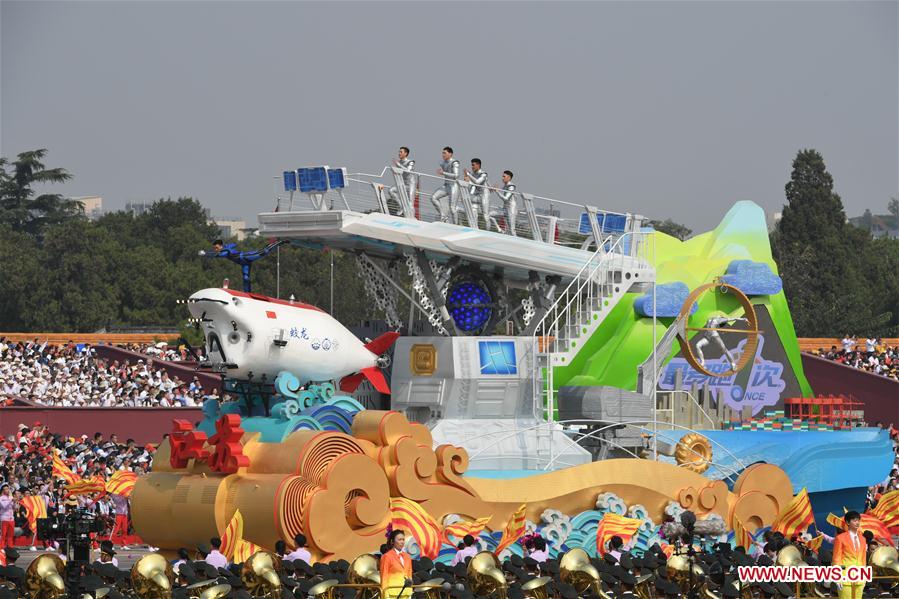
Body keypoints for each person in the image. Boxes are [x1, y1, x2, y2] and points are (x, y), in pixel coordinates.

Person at [199, 239, 286, 293]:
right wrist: (228, 246)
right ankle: (248, 294)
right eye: (214, 248)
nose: (215, 250)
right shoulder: (225, 248)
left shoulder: (225, 252)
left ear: (221, 246)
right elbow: (233, 244)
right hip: (244, 263)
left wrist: (205, 253)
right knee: (245, 278)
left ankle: (278, 243)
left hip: (246, 257)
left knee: (263, 252)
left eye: (217, 248)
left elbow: (216, 255)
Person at [832, 510, 866, 599]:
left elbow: (863, 559)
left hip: (859, 578)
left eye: (858, 520)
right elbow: (837, 559)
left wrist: (864, 575)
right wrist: (837, 577)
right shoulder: (840, 538)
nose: (857, 522)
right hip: (845, 578)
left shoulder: (863, 539)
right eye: (854, 520)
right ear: (847, 522)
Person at [380, 528, 412, 599]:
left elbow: (409, 574)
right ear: (392, 541)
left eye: (403, 539)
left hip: (406, 592)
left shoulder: (407, 557)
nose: (402, 542)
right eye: (399, 539)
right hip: (392, 593)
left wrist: (410, 591)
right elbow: (384, 576)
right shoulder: (387, 556)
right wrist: (385, 595)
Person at [431, 147, 461, 223]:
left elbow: (456, 175)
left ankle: (456, 226)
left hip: (454, 186)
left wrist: (443, 173)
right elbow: (441, 167)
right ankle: (443, 216)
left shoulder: (455, 163)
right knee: (433, 198)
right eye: (442, 153)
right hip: (446, 185)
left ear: (450, 154)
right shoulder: (442, 162)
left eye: (445, 153)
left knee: (452, 208)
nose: (443, 154)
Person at [388, 146, 416, 216]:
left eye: (401, 152)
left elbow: (408, 171)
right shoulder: (399, 162)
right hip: (403, 184)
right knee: (391, 190)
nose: (399, 153)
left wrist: (398, 165)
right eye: (399, 152)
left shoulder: (411, 162)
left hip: (411, 185)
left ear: (406, 153)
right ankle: (401, 206)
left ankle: (413, 219)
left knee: (410, 204)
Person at [493, 170, 517, 235]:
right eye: (502, 176)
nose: (502, 178)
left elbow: (506, 199)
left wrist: (497, 191)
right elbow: (498, 189)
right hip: (505, 208)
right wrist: (493, 189)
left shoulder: (512, 186)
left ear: (509, 177)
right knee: (491, 215)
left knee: (512, 229)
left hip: (511, 209)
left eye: (504, 176)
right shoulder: (505, 186)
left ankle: (515, 242)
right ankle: (500, 230)